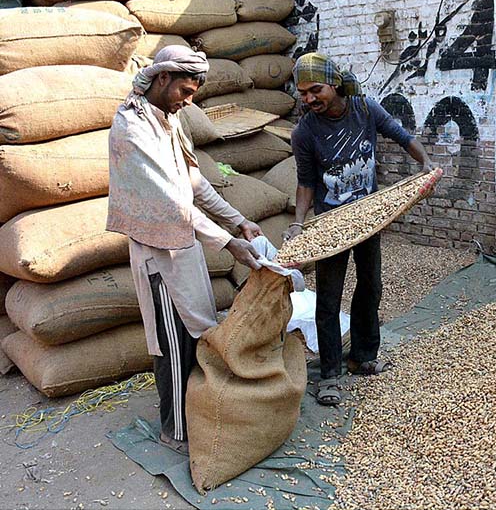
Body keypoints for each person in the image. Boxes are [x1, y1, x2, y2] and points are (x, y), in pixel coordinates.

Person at [106, 46, 263, 454]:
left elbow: (193, 185)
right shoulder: (132, 128)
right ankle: (174, 432)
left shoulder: (169, 120)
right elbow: (170, 202)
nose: (189, 100)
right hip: (157, 254)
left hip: (185, 244)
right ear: (162, 80)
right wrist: (228, 243)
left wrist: (236, 220)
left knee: (196, 334)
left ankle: (194, 413)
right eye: (185, 90)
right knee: (172, 344)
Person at [284, 52, 435, 406]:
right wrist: (298, 223)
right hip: (332, 223)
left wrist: (425, 162)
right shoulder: (304, 132)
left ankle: (363, 356)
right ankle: (331, 374)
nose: (308, 99)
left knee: (371, 286)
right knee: (329, 299)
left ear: (334, 84)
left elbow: (401, 135)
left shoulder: (364, 109)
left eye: (315, 90)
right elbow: (306, 183)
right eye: (302, 93)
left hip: (369, 216)